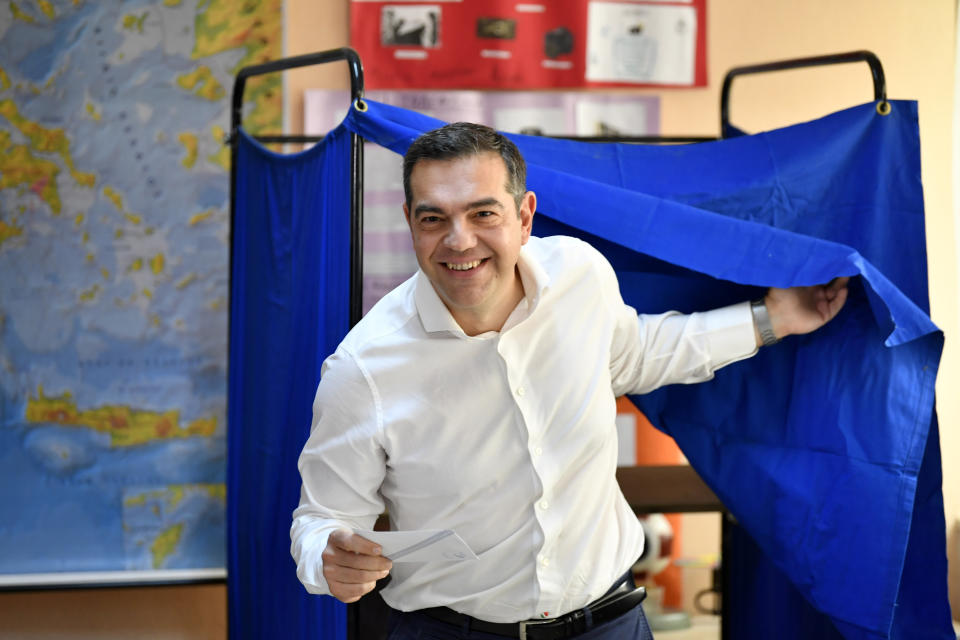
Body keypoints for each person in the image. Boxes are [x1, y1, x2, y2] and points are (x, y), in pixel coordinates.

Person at [290, 122, 849, 639]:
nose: (459, 241)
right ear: (411, 220)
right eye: (434, 218)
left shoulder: (579, 275)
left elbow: (637, 355)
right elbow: (322, 519)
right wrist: (328, 559)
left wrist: (770, 319)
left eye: (483, 213)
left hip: (611, 623)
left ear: (525, 216)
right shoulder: (363, 368)